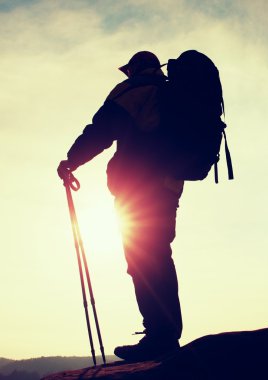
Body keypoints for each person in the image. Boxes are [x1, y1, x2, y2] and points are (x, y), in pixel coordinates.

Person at [57, 51, 184, 362]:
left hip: (139, 188)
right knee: (158, 255)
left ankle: (159, 335)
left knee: (142, 258)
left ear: (135, 69)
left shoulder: (134, 91)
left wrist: (71, 160)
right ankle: (167, 333)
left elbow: (101, 129)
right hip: (168, 187)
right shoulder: (172, 94)